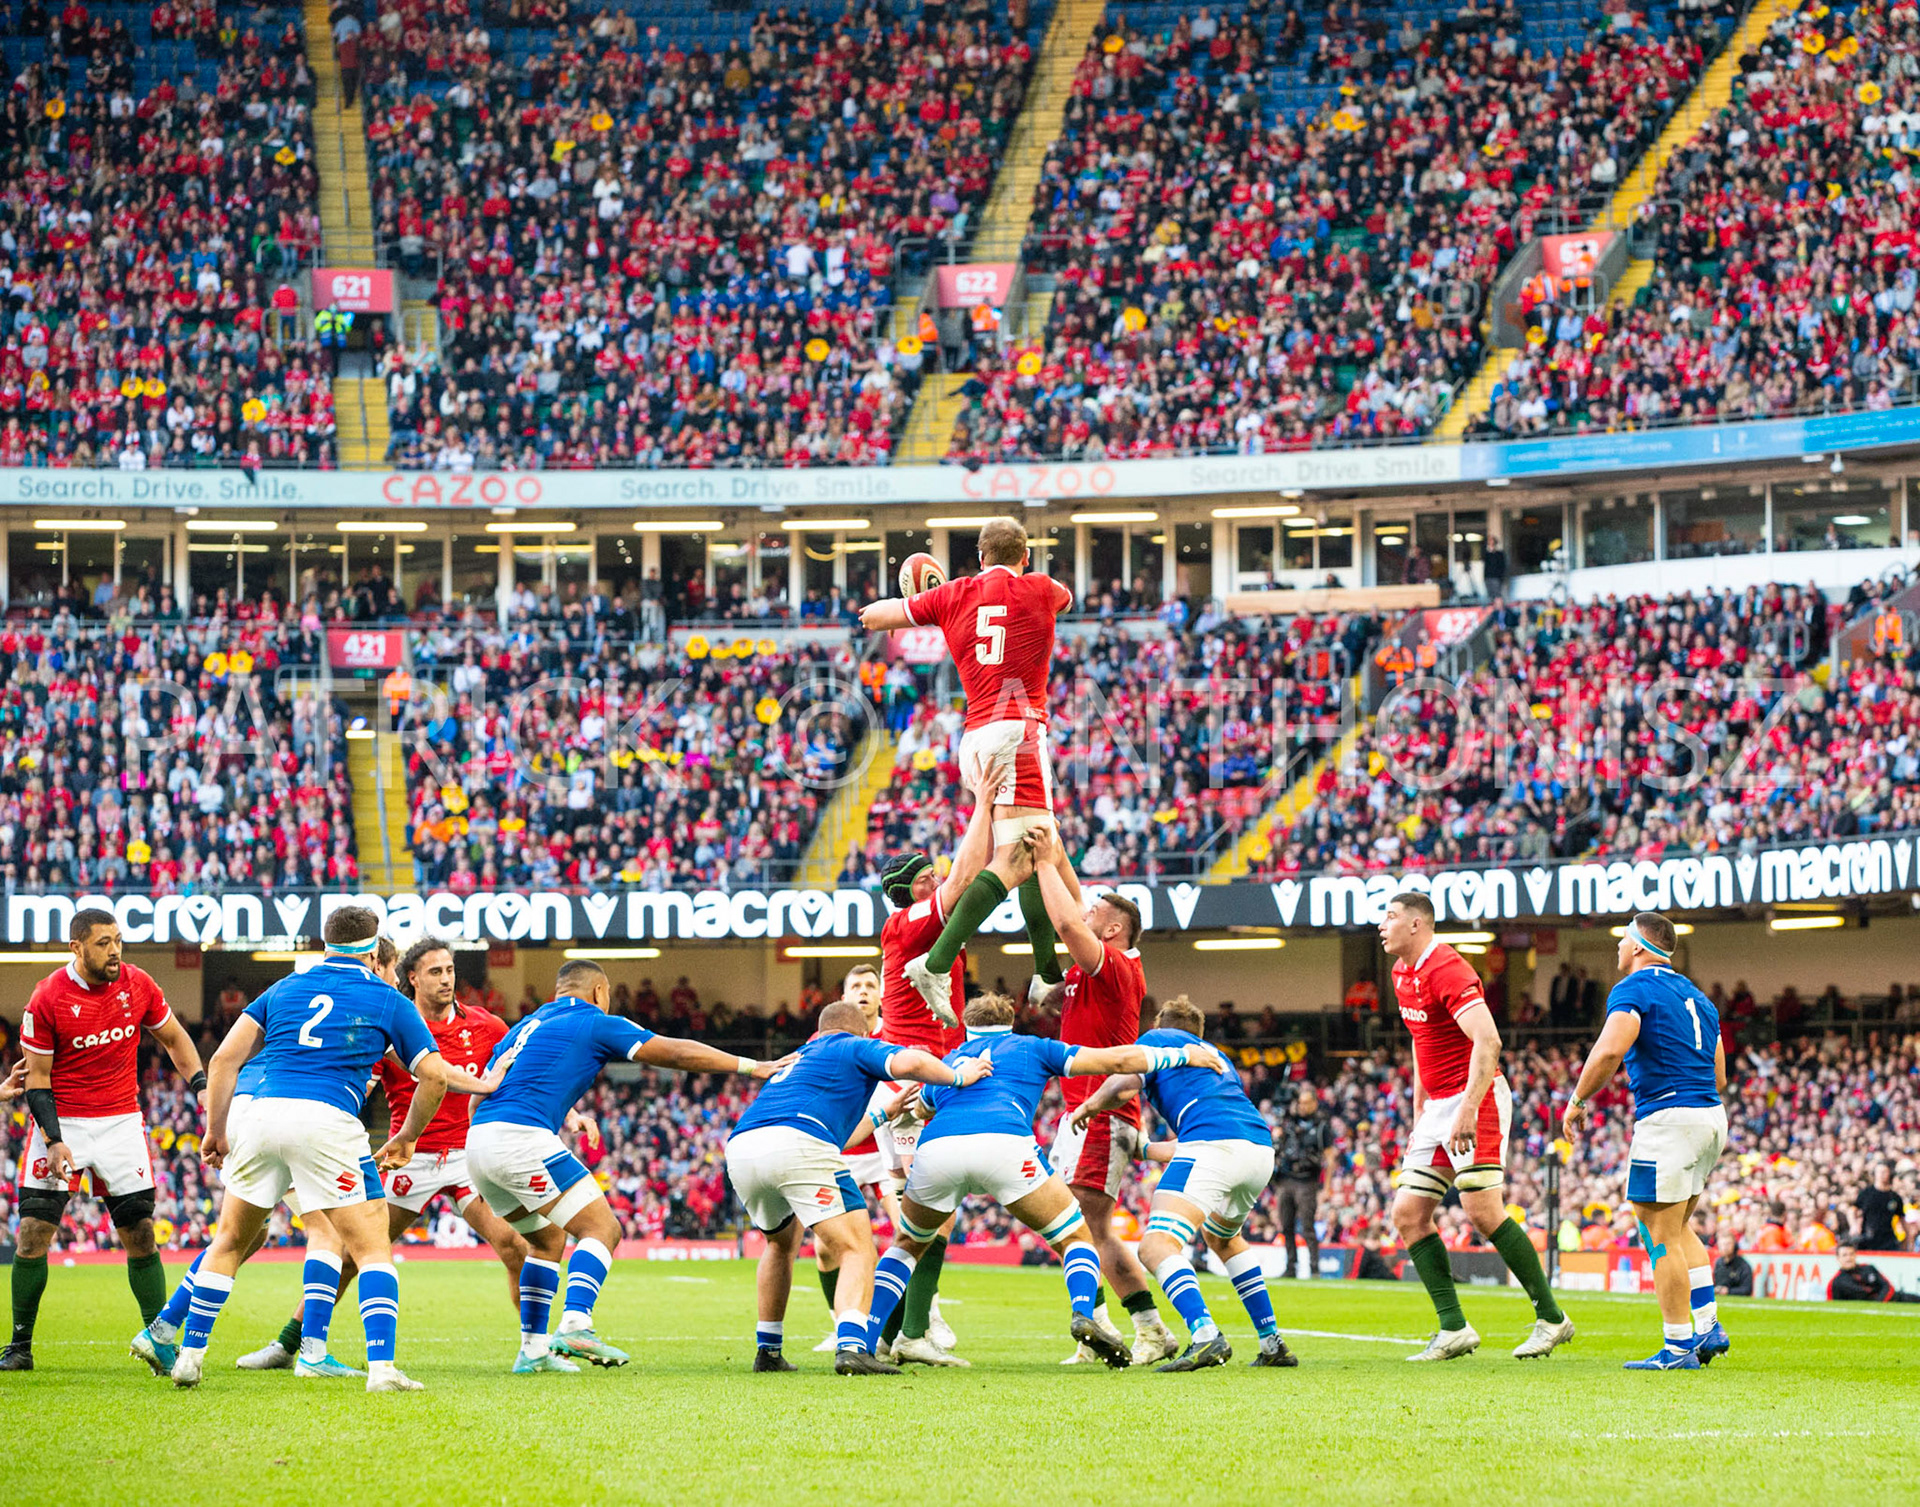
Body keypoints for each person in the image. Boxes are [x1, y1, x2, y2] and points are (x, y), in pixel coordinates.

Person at [177, 907, 461, 1391]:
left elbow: (224, 1058)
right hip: (326, 1120)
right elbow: (434, 1075)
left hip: (262, 1116)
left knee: (228, 1241)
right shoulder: (386, 998)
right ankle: (382, 1371)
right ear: (373, 949)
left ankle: (189, 1355)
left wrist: (215, 1131)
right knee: (371, 1248)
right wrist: (408, 1135)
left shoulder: (284, 987)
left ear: (326, 944)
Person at [864, 992, 1228, 1368]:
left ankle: (865, 1342)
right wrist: (1185, 1054)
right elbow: (1116, 1059)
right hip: (1004, 1144)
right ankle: (1086, 1314)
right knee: (1075, 1236)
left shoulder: (952, 1060)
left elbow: (921, 1106)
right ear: (1010, 1021)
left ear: (968, 1026)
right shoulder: (1031, 1047)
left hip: (938, 1148)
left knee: (906, 1245)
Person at [469, 959, 786, 1372]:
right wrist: (750, 1066)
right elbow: (673, 1052)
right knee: (602, 1228)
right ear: (599, 992)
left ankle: (532, 1351)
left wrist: (569, 1116)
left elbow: (490, 1092)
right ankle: (576, 1323)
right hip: (520, 1138)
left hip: (478, 1142)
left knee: (546, 1242)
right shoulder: (595, 1021)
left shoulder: (524, 1028)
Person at [138, 938, 409, 1381]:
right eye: (392, 969)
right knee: (325, 1230)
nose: (394, 981)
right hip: (284, 1111)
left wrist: (218, 1127)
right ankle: (313, 1351)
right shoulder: (367, 1009)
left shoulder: (307, 999)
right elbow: (424, 1066)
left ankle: (166, 1327)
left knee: (244, 1236)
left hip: (252, 1107)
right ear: (375, 963)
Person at [858, 516, 1080, 1021]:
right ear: (1025, 557)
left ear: (979, 558)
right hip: (1018, 728)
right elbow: (1066, 598)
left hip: (975, 735)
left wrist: (918, 595)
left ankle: (1048, 973)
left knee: (1035, 846)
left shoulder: (952, 594)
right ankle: (937, 962)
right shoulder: (1041, 588)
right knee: (1022, 858)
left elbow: (875, 617)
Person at [724, 999, 993, 1376]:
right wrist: (959, 1076)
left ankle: (768, 1350)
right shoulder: (854, 1045)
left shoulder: (801, 1056)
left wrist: (886, 1111)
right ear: (864, 1031)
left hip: (743, 1145)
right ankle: (852, 1347)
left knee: (779, 1243)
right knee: (856, 1247)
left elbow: (843, 1139)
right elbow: (912, 1062)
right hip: (799, 1141)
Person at [845, 766, 1013, 1364]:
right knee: (925, 1219)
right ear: (912, 890)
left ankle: (891, 1334)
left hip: (936, 1075)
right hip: (915, 1079)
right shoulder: (905, 925)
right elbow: (969, 873)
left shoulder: (929, 929)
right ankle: (901, 1332)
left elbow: (972, 880)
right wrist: (986, 803)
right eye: (928, 877)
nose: (939, 879)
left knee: (933, 1217)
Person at [5, 909, 208, 1374]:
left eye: (118, 940)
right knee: (34, 1233)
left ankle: (158, 1341)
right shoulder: (47, 997)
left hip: (121, 1122)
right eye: (102, 942)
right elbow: (36, 1081)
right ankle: (19, 1345)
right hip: (63, 1121)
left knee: (140, 1233)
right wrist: (53, 1140)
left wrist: (200, 1088)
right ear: (76, 948)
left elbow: (176, 1039)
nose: (115, 950)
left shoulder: (138, 984)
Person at [1379, 892, 1573, 1361]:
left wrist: (1467, 1107)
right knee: (1407, 1214)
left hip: (1477, 1096)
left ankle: (1551, 1318)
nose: (1381, 926)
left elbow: (1489, 1040)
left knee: (1482, 1211)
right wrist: (1419, 1107)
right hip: (1438, 1105)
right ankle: (1453, 1328)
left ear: (1416, 925)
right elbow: (1421, 1042)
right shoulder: (1401, 973)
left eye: (1390, 916)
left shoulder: (1448, 969)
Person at [1069, 995, 1297, 1372]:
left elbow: (1123, 1083)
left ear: (1160, 1025)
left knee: (1156, 1246)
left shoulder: (1158, 1040)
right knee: (1223, 1238)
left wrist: (1090, 1105)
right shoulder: (1218, 1059)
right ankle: (1272, 1341)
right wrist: (1146, 1148)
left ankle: (1206, 1334)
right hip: (1257, 1148)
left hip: (1211, 1145)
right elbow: (1194, 1137)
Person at [1027, 826, 1180, 1366]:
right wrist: (1053, 847)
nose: (1084, 909)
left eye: (1097, 910)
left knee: (1085, 1225)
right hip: (1080, 1111)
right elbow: (1073, 897)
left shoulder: (1116, 966)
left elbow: (1066, 918)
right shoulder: (1106, 959)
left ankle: (1141, 1327)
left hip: (1101, 1110)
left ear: (1113, 928)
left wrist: (1043, 861)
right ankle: (1110, 1326)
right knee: (1069, 1226)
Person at [1564, 911, 1731, 1371]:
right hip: (1710, 1116)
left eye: (1622, 939)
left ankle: (1678, 1346)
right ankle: (1707, 1323)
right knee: (1676, 1228)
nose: (1617, 947)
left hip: (1669, 1119)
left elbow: (1611, 1049)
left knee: (1658, 1235)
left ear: (1639, 945)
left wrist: (1578, 1099)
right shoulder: (1700, 997)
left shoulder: (1633, 989)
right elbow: (1718, 1074)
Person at [1274, 1086, 1331, 1279]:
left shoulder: (1322, 1126)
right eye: (1300, 1103)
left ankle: (1314, 1268)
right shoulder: (1288, 1123)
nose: (1303, 1106)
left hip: (1307, 1181)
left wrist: (1327, 1187)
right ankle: (1291, 1266)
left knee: (1307, 1225)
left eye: (1307, 1103)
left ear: (1315, 1103)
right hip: (1286, 1179)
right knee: (1286, 1225)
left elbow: (1329, 1158)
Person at [1827, 1243, 1920, 1302]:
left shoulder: (1868, 1268)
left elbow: (1888, 1286)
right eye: (1844, 1255)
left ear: (1855, 1255)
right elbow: (1832, 1306)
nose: (1848, 1258)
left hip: (1896, 1299)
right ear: (1838, 1258)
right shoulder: (1836, 1282)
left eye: (1851, 1254)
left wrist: (1879, 1303)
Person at [1855, 1164, 1906, 1251]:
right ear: (1875, 1174)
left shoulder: (1894, 1197)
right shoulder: (1866, 1193)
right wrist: (1854, 1225)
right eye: (1879, 1172)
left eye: (1885, 1172)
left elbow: (1901, 1217)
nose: (1882, 1174)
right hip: (1868, 1235)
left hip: (1888, 1237)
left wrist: (1905, 1236)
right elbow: (1854, 1209)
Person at [1711, 1230, 1753, 1297]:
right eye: (1722, 1244)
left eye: (1728, 1244)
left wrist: (1728, 1291)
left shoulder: (1743, 1266)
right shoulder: (1718, 1263)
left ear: (1734, 1244)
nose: (1725, 1247)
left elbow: (1747, 1290)